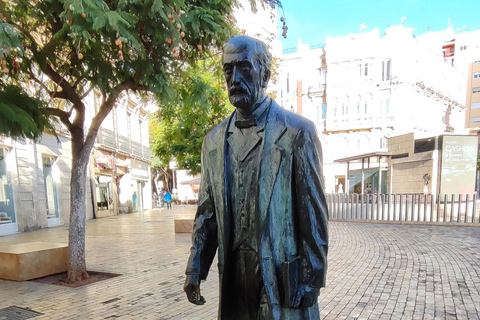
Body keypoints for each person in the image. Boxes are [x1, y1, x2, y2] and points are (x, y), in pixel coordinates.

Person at [184, 36, 329, 320]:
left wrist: (312, 277)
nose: (234, 78)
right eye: (228, 70)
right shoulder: (213, 142)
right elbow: (207, 215)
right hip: (234, 278)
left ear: (265, 73)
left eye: (244, 68)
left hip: (279, 274)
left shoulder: (297, 132)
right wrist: (196, 268)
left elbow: (313, 216)